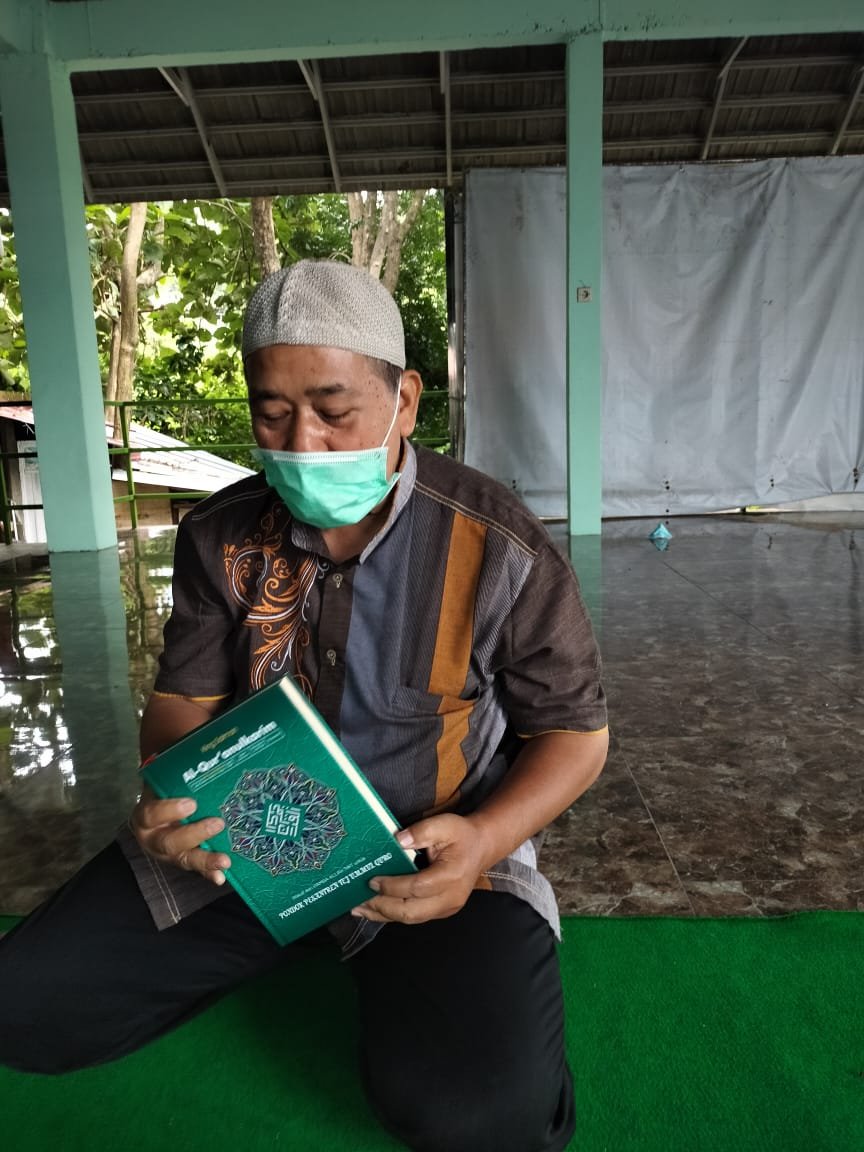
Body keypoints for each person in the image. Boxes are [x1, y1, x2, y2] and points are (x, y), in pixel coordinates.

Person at [0, 260, 607, 1152]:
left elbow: (575, 736)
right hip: (245, 850)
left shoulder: (499, 544)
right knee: (22, 1009)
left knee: (486, 1117)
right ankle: (289, 931)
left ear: (404, 401)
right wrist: (170, 794)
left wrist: (483, 840)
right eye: (271, 413)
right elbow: (179, 709)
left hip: (433, 858)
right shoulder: (220, 537)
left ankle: (357, 944)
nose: (302, 444)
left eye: (333, 410)